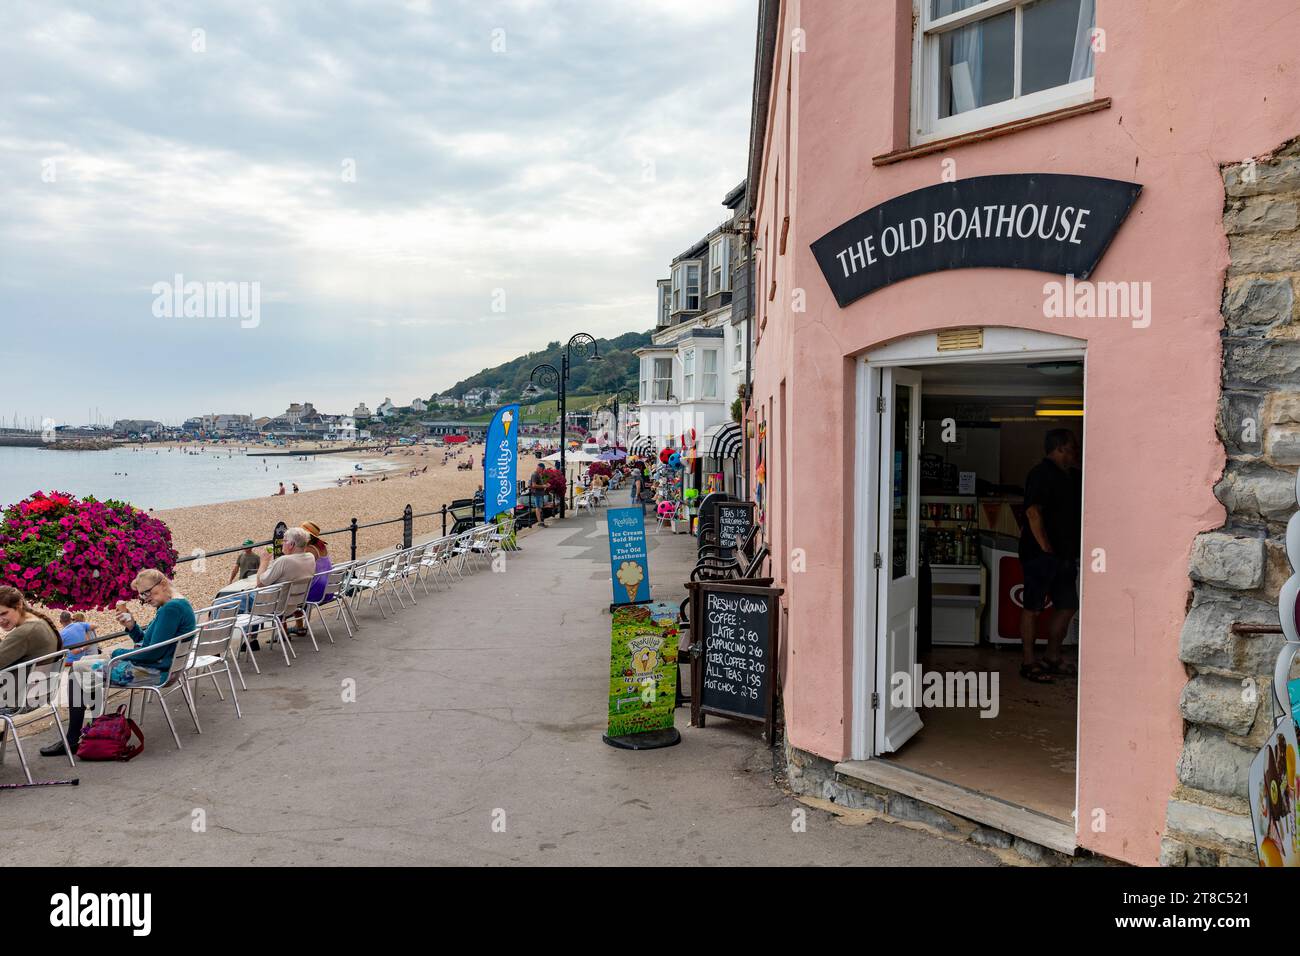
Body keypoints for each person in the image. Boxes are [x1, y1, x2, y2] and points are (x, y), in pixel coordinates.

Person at [41, 569, 196, 757]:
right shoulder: (177, 604)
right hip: (166, 668)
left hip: (155, 671)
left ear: (163, 583)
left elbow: (152, 653)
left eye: (147, 592)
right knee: (85, 664)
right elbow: (147, 643)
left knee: (77, 672)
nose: (145, 598)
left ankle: (74, 739)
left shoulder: (170, 609)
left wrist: (117, 653)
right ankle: (94, 730)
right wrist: (131, 626)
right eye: (142, 595)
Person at [1017, 429, 1082, 683]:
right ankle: (1028, 662)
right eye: (1072, 447)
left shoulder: (1073, 476)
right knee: (1032, 608)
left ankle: (1052, 657)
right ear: (1060, 447)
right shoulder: (1040, 473)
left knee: (1067, 606)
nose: (1076, 452)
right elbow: (1032, 512)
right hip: (1040, 555)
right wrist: (1045, 546)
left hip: (1065, 555)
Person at [300, 521, 333, 606]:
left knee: (291, 594)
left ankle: (300, 613)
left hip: (317, 593)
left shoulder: (310, 549)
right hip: (329, 590)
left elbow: (302, 569)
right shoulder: (321, 546)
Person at [529, 462, 549, 528]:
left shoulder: (539, 474)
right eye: (542, 469)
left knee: (539, 508)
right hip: (537, 493)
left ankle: (541, 522)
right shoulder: (534, 475)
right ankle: (540, 522)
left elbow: (541, 483)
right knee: (538, 508)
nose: (542, 470)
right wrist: (543, 486)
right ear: (540, 468)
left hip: (540, 494)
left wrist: (546, 485)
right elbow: (534, 485)